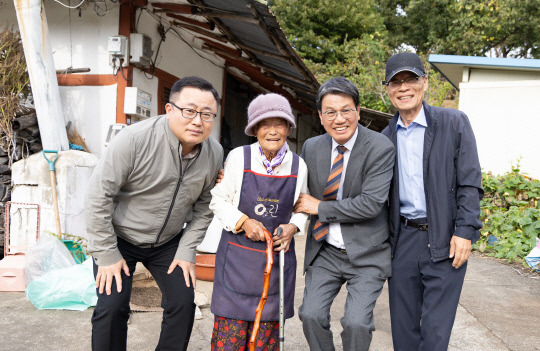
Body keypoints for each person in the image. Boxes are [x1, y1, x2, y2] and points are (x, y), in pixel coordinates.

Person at [85, 76, 224, 351]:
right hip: (119, 238)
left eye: (207, 114)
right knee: (112, 307)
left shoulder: (214, 152)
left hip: (168, 242)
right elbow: (97, 197)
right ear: (169, 109)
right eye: (190, 111)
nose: (198, 121)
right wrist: (107, 254)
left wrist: (187, 250)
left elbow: (205, 206)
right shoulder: (133, 140)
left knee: (183, 303)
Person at [381, 52, 483, 351]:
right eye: (395, 82)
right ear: (387, 89)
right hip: (402, 241)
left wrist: (465, 231)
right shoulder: (384, 138)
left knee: (436, 334)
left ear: (424, 83)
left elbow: (469, 182)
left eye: (410, 79)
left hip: (445, 238)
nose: (403, 88)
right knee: (403, 332)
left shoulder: (453, 123)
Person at [294, 76, 395, 351]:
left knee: (356, 323)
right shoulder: (312, 147)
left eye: (346, 110)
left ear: (358, 111)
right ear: (320, 116)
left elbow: (371, 203)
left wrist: (319, 208)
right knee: (310, 315)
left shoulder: (379, 147)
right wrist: (234, 181)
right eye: (330, 112)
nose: (339, 119)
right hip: (325, 251)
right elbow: (293, 187)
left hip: (367, 253)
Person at [209, 93, 308, 350]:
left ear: (288, 128)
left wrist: (293, 226)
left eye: (279, 124)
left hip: (276, 263)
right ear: (255, 129)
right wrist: (243, 221)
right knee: (229, 342)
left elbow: (303, 207)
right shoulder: (239, 157)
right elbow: (218, 201)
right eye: (265, 124)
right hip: (236, 263)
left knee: (265, 341)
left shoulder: (298, 165)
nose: (272, 131)